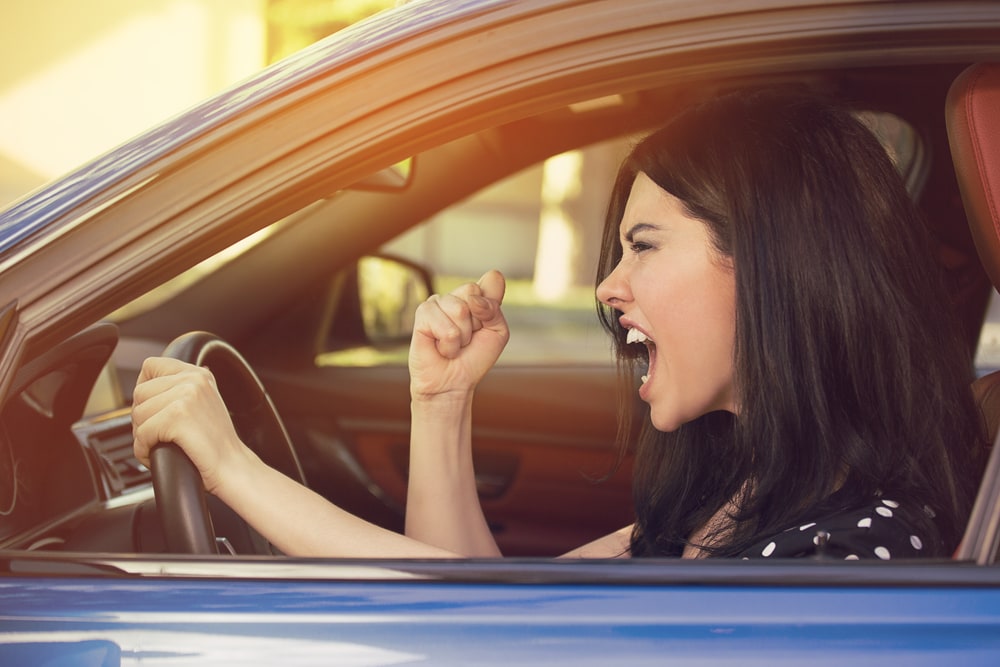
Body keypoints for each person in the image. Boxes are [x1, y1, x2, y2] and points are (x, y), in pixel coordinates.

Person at [132, 87, 986, 560]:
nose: (608, 286)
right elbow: (487, 616)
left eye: (643, 246)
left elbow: (464, 627)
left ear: (770, 265)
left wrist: (230, 466)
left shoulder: (848, 558)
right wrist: (442, 403)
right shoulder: (741, 483)